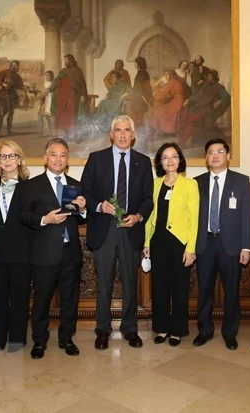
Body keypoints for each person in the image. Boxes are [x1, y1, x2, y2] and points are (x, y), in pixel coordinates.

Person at [81, 115, 154, 350]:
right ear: (111, 134)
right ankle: (102, 329)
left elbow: (147, 199)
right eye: (118, 130)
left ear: (133, 135)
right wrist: (100, 205)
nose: (122, 135)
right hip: (104, 228)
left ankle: (129, 328)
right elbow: (85, 192)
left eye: (127, 130)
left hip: (130, 229)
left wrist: (138, 216)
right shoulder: (96, 159)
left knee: (130, 281)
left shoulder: (143, 162)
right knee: (104, 282)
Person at [18, 138, 87, 359]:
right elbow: (23, 215)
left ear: (67, 159)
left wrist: (84, 209)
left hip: (70, 252)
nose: (58, 159)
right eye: (54, 154)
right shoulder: (31, 185)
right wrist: (45, 219)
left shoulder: (75, 185)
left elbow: (81, 219)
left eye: (63, 155)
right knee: (41, 299)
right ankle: (39, 341)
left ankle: (67, 339)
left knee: (70, 298)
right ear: (45, 158)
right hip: (44, 252)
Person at [194, 138, 250, 350]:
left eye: (220, 151)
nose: (215, 155)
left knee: (231, 292)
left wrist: (246, 247)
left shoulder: (241, 181)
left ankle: (230, 333)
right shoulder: (197, 182)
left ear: (228, 156)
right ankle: (205, 331)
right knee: (204, 291)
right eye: (211, 152)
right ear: (206, 158)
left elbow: (247, 216)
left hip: (231, 246)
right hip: (205, 244)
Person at [143, 143, 199, 346]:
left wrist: (191, 248)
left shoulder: (190, 185)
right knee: (159, 288)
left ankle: (177, 330)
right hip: (158, 242)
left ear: (180, 160)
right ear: (160, 162)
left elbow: (194, 219)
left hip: (180, 243)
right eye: (165, 157)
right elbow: (151, 216)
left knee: (180, 288)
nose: (170, 160)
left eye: (173, 156)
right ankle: (162, 328)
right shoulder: (155, 184)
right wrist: (147, 241)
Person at [0, 140, 32, 352]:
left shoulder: (30, 186)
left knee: (20, 298)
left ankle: (16, 338)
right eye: (3, 156)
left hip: (21, 251)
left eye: (12, 155)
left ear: (19, 159)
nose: (8, 160)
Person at [51, 54, 89, 138]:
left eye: (66, 60)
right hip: (64, 98)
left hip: (74, 97)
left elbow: (81, 84)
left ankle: (75, 134)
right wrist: (50, 88)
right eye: (64, 60)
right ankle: (66, 134)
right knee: (64, 116)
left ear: (71, 61)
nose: (65, 62)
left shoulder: (77, 71)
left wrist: (83, 95)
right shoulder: (63, 71)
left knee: (73, 116)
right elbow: (57, 80)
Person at [0, 60, 25, 137]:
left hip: (12, 97)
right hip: (3, 96)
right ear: (13, 66)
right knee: (1, 114)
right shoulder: (4, 72)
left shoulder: (17, 76)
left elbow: (20, 85)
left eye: (18, 66)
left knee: (11, 114)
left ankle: (9, 131)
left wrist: (23, 87)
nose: (18, 68)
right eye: (17, 66)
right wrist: (3, 84)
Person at [150, 69, 186, 135]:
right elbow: (167, 91)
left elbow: (164, 92)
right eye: (165, 74)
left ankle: (166, 131)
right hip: (178, 100)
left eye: (166, 74)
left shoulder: (172, 81)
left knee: (159, 111)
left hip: (177, 101)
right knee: (161, 110)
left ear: (170, 75)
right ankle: (165, 131)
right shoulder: (174, 81)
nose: (165, 76)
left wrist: (155, 93)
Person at [122, 56, 153, 130]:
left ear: (139, 64)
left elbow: (142, 88)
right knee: (138, 116)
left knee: (139, 116)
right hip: (138, 97)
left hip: (139, 98)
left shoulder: (142, 73)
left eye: (136, 63)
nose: (135, 65)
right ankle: (140, 132)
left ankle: (140, 133)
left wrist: (144, 98)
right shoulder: (142, 72)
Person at [37, 70, 54, 137]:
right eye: (46, 75)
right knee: (45, 117)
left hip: (47, 101)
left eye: (48, 75)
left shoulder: (49, 84)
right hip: (45, 101)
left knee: (42, 117)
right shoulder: (46, 83)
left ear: (51, 76)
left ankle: (42, 133)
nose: (47, 77)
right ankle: (49, 132)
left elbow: (44, 93)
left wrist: (39, 95)